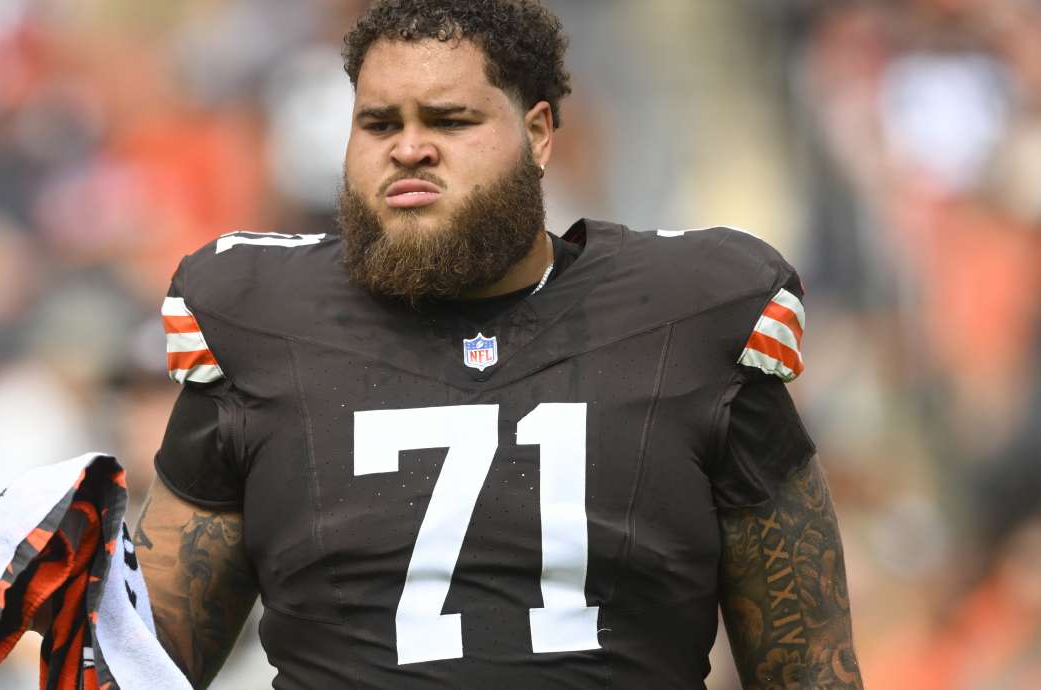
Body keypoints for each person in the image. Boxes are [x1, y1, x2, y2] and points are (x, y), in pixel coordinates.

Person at [136, 1, 864, 688]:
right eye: (380, 124)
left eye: (449, 120)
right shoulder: (262, 322)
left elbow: (811, 671)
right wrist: (80, 612)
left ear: (539, 133)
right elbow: (145, 670)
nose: (410, 149)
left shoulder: (693, 314)